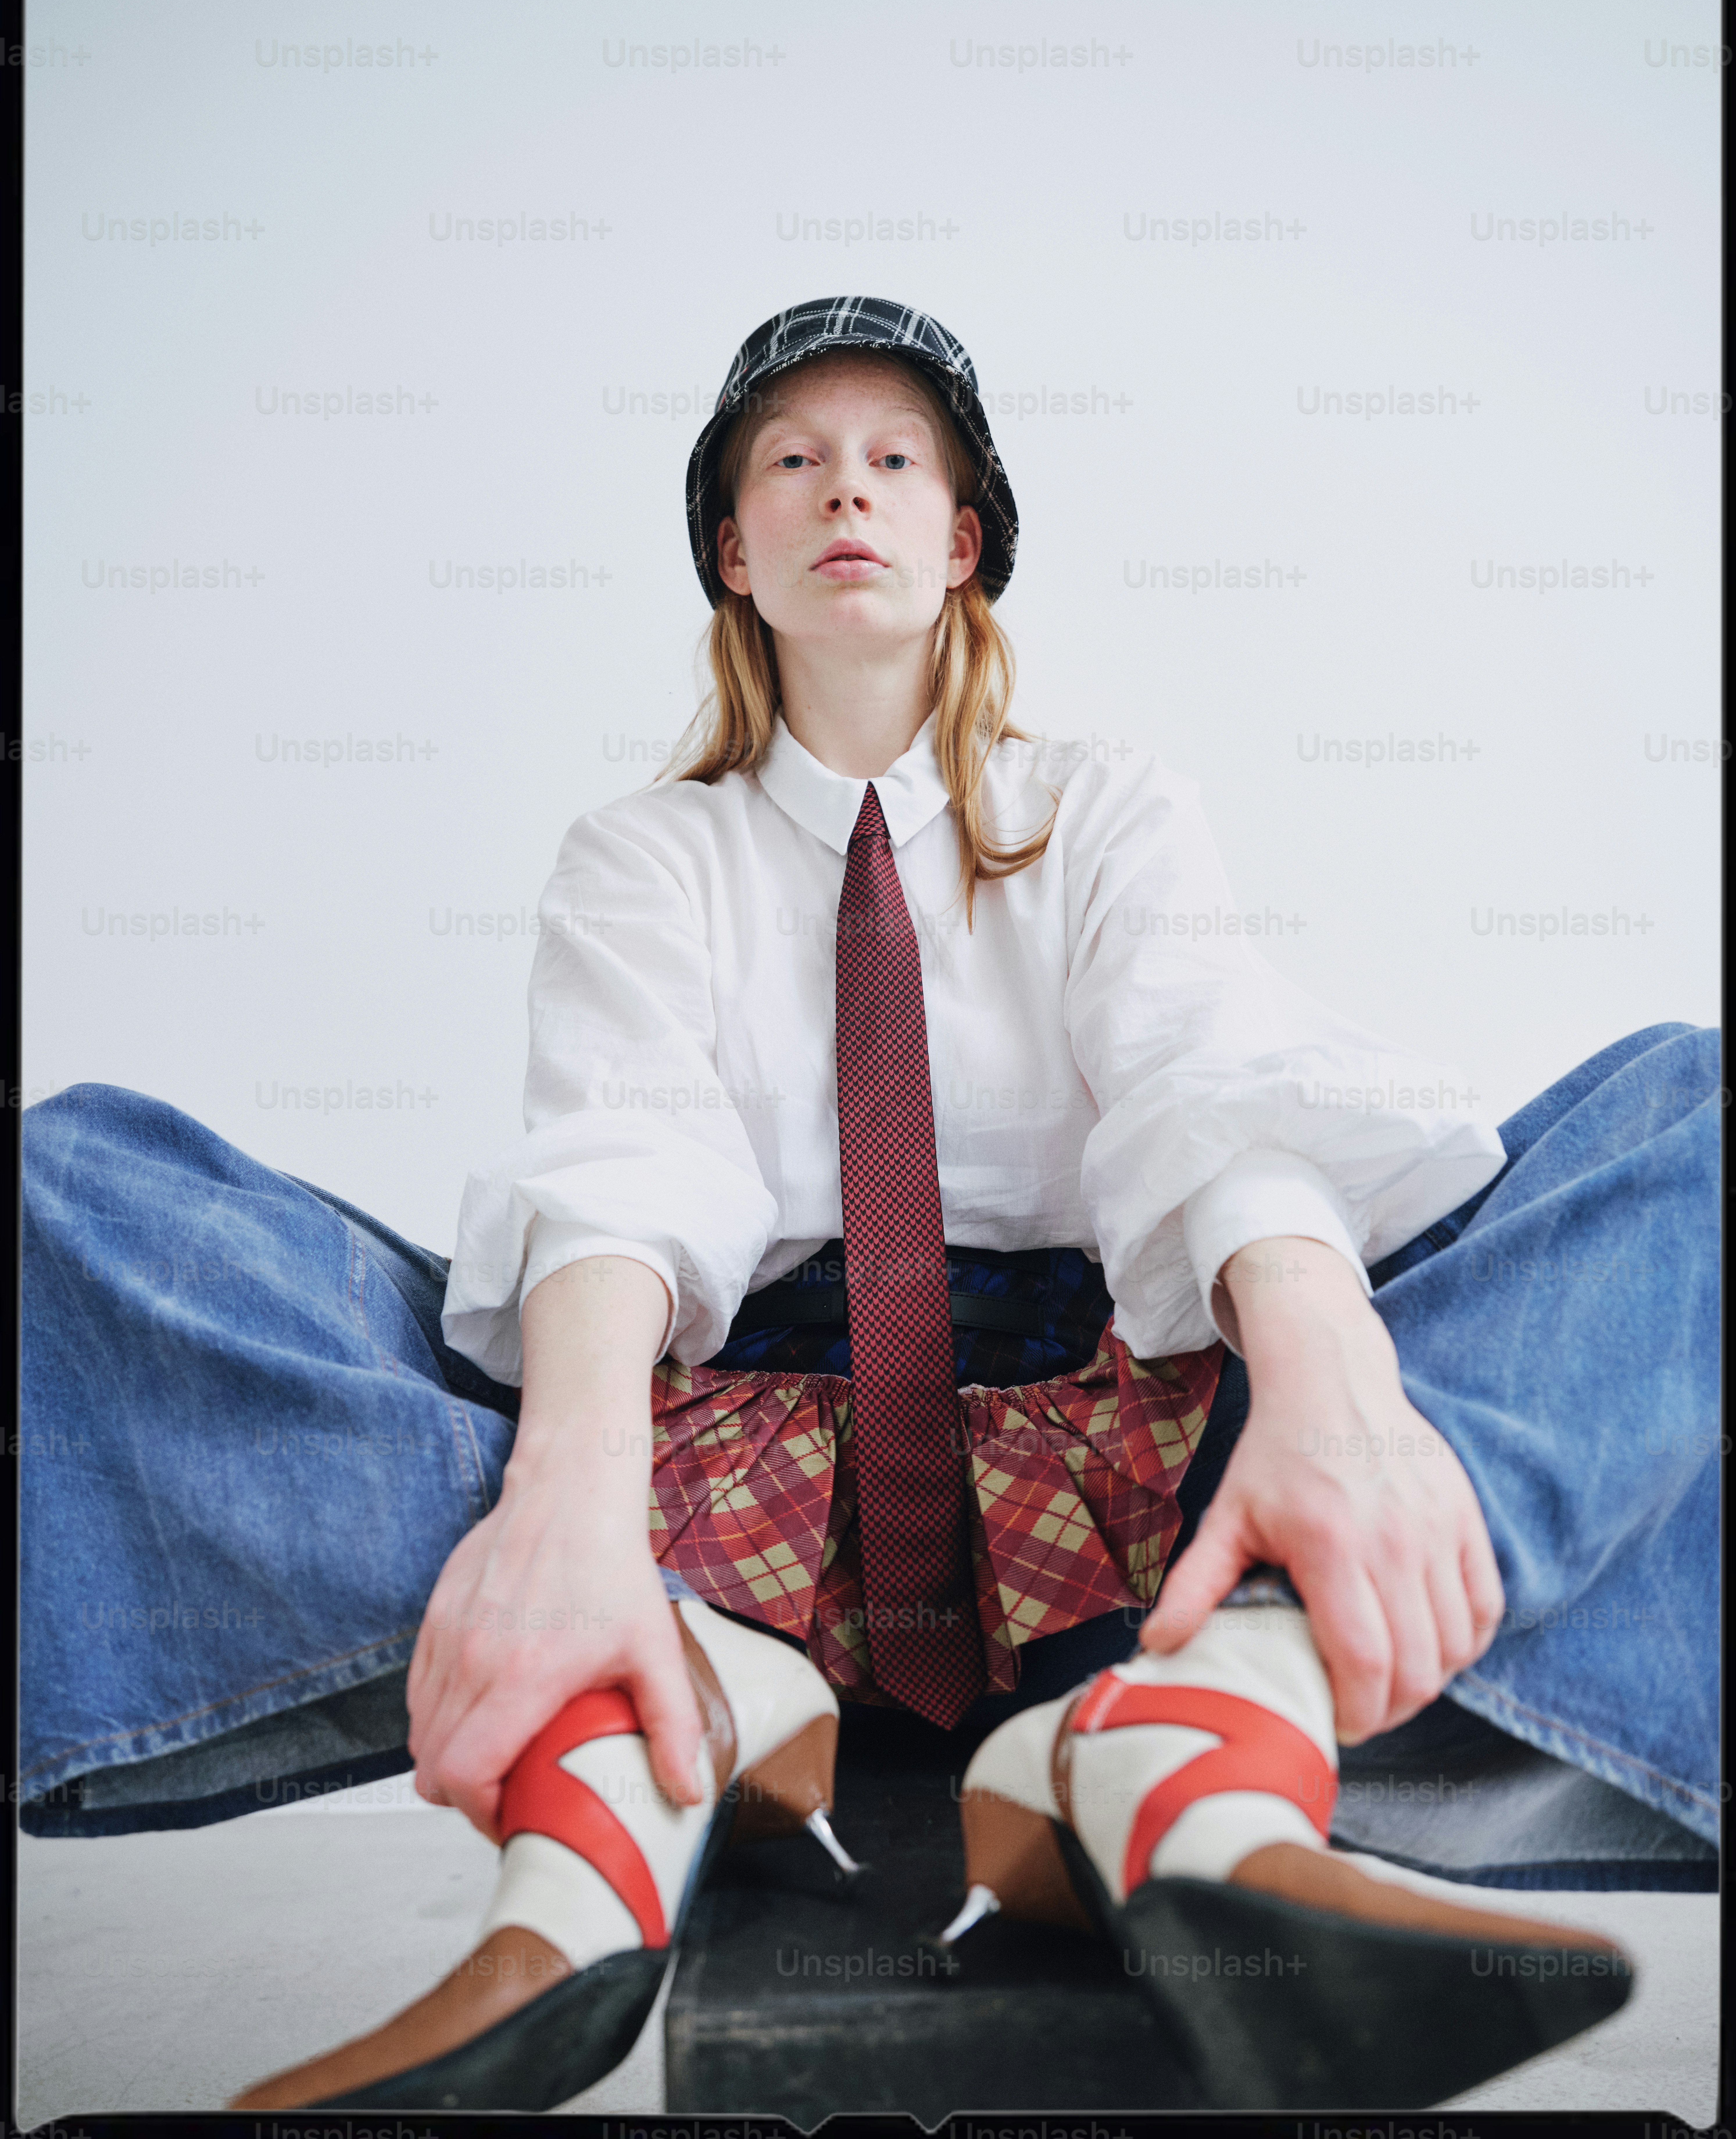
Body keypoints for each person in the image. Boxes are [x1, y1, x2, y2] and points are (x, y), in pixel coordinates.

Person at [21, 299, 1716, 2113]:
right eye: (795, 461)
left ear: (960, 541)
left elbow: (1207, 1088)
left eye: (897, 460)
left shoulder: (1104, 805)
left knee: (1683, 1110)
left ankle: (1215, 1701)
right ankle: (649, 1694)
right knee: (78, 1177)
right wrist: (562, 1517)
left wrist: (1343, 1399)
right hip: (695, 1482)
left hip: (1137, 1478)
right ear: (731, 554)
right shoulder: (643, 853)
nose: (849, 490)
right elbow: (624, 1174)